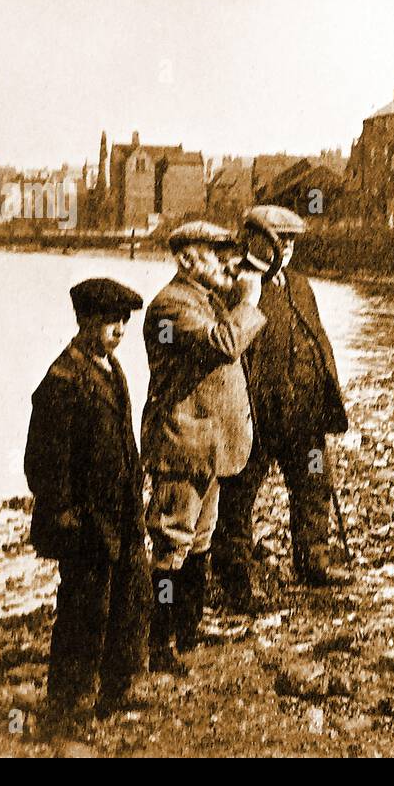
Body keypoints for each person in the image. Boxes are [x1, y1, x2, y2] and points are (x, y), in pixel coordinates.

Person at [24, 278, 150, 725]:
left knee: (129, 601)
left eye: (125, 322)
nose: (121, 331)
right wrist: (67, 516)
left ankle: (119, 688)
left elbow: (123, 441)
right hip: (85, 521)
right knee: (82, 611)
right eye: (112, 322)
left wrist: (136, 501)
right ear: (86, 322)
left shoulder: (112, 369)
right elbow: (41, 463)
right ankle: (69, 705)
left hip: (121, 513)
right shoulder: (62, 380)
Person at [213, 206, 352, 607]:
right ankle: (234, 576)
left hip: (303, 418)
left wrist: (326, 398)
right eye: (280, 239)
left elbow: (318, 340)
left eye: (292, 240)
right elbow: (227, 344)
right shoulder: (237, 285)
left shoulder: (300, 284)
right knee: (238, 495)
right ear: (256, 240)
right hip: (256, 415)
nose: (287, 248)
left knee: (313, 486)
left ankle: (314, 562)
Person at [141, 221, 265, 674]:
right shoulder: (172, 305)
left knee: (199, 541)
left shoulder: (205, 299)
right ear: (188, 259)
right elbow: (224, 345)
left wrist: (240, 295)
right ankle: (159, 643)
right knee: (171, 544)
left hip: (209, 443)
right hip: (183, 442)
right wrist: (248, 302)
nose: (228, 261)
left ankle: (188, 629)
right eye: (217, 253)